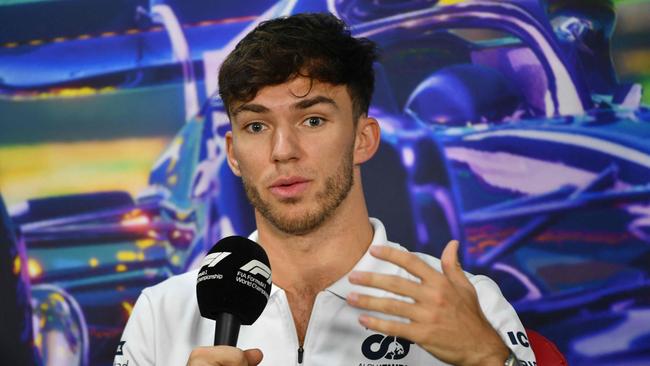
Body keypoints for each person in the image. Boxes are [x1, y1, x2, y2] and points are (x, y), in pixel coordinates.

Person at [114, 13, 536, 366]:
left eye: (312, 120)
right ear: (234, 153)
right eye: (256, 126)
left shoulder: (468, 302)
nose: (283, 151)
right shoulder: (161, 314)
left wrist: (487, 357)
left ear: (364, 139)